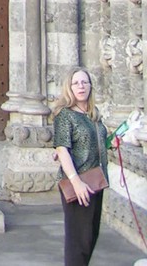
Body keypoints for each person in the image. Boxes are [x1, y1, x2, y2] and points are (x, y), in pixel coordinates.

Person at [52, 67, 113, 265]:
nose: (81, 86)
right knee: (78, 241)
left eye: (84, 82)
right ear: (69, 87)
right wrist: (76, 182)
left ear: (90, 86)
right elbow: (62, 150)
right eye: (76, 83)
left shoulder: (93, 115)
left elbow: (96, 143)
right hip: (79, 183)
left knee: (90, 237)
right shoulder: (65, 115)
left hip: (96, 180)